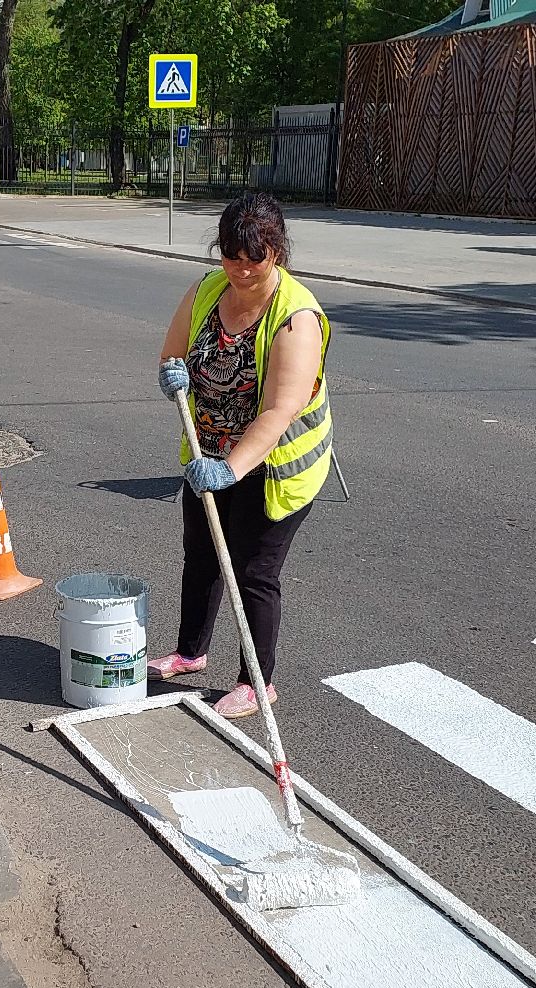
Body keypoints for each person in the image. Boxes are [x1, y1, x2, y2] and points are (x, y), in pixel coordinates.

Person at [151, 193, 334, 719]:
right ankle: (190, 653)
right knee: (203, 555)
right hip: (207, 446)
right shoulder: (209, 288)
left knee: (254, 571)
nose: (239, 269)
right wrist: (172, 373)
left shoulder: (295, 317)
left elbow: (280, 412)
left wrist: (231, 468)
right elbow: (173, 350)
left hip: (274, 466)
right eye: (230, 255)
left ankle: (257, 682)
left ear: (276, 251)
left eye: (252, 258)